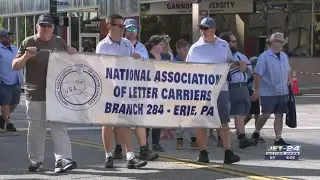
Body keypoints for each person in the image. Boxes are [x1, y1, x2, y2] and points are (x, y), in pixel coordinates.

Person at [12, 14, 77, 173]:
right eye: (43, 26)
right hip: (35, 93)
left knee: (59, 127)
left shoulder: (59, 41)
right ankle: (36, 160)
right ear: (37, 27)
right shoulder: (29, 42)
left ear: (53, 28)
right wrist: (27, 56)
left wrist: (72, 52)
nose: (46, 29)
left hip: (56, 94)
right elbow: (15, 66)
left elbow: (72, 60)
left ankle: (62, 159)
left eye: (49, 26)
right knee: (36, 128)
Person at [186, 17, 245, 164]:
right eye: (201, 28)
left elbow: (228, 63)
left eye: (205, 28)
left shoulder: (224, 45)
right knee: (202, 121)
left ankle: (228, 152)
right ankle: (203, 152)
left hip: (221, 88)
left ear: (213, 29)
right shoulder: (195, 48)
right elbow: (187, 69)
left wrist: (237, 64)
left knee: (223, 121)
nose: (203, 31)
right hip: (202, 90)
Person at [95, 14, 148, 169]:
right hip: (108, 89)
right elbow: (99, 67)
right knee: (108, 123)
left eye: (123, 26)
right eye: (119, 26)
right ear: (109, 26)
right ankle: (108, 155)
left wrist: (136, 59)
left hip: (125, 89)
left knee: (125, 123)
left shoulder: (127, 45)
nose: (122, 29)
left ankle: (130, 156)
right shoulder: (103, 46)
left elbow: (133, 64)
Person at [112, 18, 159, 161]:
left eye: (135, 30)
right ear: (124, 30)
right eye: (129, 29)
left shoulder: (142, 47)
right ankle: (119, 147)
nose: (132, 32)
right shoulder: (120, 45)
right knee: (119, 120)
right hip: (120, 86)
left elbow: (146, 66)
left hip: (137, 88)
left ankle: (144, 148)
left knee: (139, 119)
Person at [251, 32, 291, 145]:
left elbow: (287, 69)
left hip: (282, 91)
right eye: (278, 41)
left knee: (279, 115)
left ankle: (278, 138)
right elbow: (258, 74)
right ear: (272, 42)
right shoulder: (264, 57)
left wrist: (289, 79)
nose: (280, 43)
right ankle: (256, 131)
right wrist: (257, 90)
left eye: (282, 41)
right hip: (268, 91)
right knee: (266, 114)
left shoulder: (283, 56)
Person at [219, 32, 256, 148]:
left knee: (240, 113)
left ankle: (242, 137)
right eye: (233, 41)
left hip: (243, 87)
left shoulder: (241, 56)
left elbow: (250, 70)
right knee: (224, 114)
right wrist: (234, 66)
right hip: (229, 87)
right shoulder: (221, 56)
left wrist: (245, 69)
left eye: (235, 41)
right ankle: (221, 137)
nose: (235, 44)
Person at [173, 39, 197, 150]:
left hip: (191, 92)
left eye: (188, 48)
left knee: (192, 116)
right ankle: (179, 140)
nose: (187, 51)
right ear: (178, 50)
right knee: (180, 118)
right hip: (179, 94)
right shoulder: (175, 61)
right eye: (185, 48)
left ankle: (194, 139)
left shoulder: (193, 61)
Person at [144, 35, 167, 152]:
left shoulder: (164, 57)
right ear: (154, 45)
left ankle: (156, 143)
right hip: (149, 90)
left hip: (160, 90)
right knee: (147, 118)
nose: (164, 46)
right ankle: (145, 144)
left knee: (158, 117)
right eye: (161, 44)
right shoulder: (147, 56)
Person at [0, 30, 22, 132]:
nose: (9, 38)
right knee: (4, 103)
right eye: (6, 36)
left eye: (10, 36)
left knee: (14, 103)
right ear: (1, 38)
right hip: (3, 81)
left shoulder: (15, 48)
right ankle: (9, 123)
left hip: (16, 80)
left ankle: (2, 117)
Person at [244, 56, 265, 143]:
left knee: (253, 114)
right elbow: (250, 83)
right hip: (251, 94)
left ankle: (240, 130)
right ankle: (241, 130)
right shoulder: (253, 72)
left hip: (250, 93)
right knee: (254, 114)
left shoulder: (249, 71)